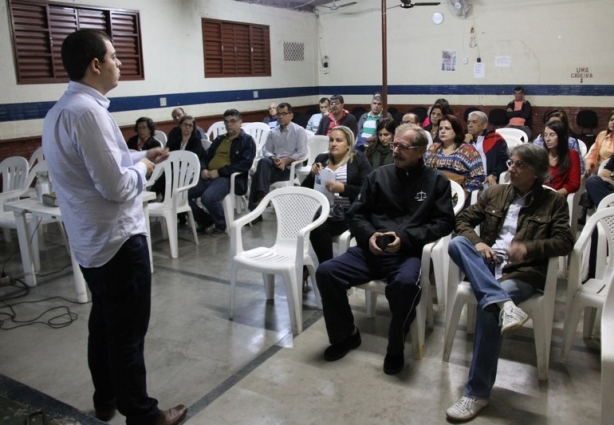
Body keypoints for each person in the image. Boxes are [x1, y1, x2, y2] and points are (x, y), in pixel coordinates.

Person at [41, 29, 186, 425]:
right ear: (96, 64)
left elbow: (101, 165)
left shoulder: (61, 111)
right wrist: (145, 166)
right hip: (117, 241)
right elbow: (117, 185)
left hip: (91, 242)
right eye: (115, 57)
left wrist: (140, 153)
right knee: (127, 337)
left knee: (103, 326)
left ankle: (105, 399)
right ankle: (143, 414)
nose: (120, 63)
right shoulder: (89, 113)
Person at [445, 143, 574, 421]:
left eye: (519, 165)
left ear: (537, 173)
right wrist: (478, 243)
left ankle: (476, 394)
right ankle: (503, 303)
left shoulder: (554, 202)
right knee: (457, 245)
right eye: (510, 163)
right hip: (488, 265)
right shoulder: (495, 193)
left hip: (522, 272)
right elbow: (463, 220)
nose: (511, 169)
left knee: (488, 308)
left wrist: (529, 249)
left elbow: (565, 242)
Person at [316, 123, 455, 376]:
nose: (396, 151)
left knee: (405, 285)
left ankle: (395, 344)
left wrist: (405, 237)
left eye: (403, 147)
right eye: (395, 145)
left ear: (421, 150)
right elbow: (356, 215)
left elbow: (444, 223)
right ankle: (346, 334)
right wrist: (369, 236)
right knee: (327, 272)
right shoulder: (378, 176)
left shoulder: (437, 182)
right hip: (370, 251)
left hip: (406, 253)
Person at [301, 126, 371, 291]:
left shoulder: (358, 159)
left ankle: (327, 271)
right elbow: (306, 190)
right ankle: (318, 268)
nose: (333, 144)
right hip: (323, 211)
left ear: (348, 144)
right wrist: (312, 175)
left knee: (318, 227)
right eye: (331, 140)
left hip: (348, 213)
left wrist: (343, 188)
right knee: (309, 224)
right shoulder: (322, 159)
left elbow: (367, 190)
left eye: (339, 140)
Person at [188, 109, 256, 235]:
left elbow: (244, 164)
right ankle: (205, 220)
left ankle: (221, 224)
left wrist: (219, 172)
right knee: (182, 195)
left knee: (208, 198)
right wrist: (203, 168)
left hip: (229, 178)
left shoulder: (246, 141)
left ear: (240, 122)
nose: (229, 125)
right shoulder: (220, 139)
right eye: (226, 122)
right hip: (208, 175)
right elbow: (205, 157)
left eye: (232, 121)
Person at [248, 102, 309, 215]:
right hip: (273, 166)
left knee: (257, 176)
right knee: (263, 161)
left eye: (284, 114)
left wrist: (286, 161)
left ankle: (256, 208)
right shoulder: (272, 132)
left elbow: (302, 153)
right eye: (279, 114)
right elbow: (267, 151)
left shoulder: (299, 131)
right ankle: (262, 198)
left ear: (291, 115)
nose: (280, 117)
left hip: (289, 169)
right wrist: (273, 158)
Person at [424, 114, 485, 200]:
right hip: (432, 193)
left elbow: (478, 177)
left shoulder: (468, 150)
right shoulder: (433, 148)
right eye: (440, 128)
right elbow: (424, 171)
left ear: (456, 131)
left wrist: (465, 192)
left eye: (447, 128)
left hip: (456, 196)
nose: (443, 131)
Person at [533, 109, 585, 174]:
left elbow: (580, 169)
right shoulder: (538, 142)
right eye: (551, 123)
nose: (548, 139)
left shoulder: (571, 142)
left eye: (557, 124)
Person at [465, 110, 509, 188]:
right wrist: (465, 144)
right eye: (468, 122)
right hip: (466, 178)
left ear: (484, 125)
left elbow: (504, 160)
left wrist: (494, 174)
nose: (470, 125)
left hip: (486, 178)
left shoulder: (495, 139)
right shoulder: (464, 139)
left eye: (474, 122)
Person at [542, 120, 581, 196]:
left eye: (552, 135)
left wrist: (554, 195)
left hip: (558, 197)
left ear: (562, 137)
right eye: (545, 135)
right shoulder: (541, 154)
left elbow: (574, 184)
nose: (547, 139)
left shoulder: (572, 154)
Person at [584, 110, 614, 177]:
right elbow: (594, 153)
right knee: (591, 181)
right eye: (611, 120)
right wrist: (589, 163)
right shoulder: (602, 135)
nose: (613, 122)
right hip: (601, 168)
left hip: (612, 170)